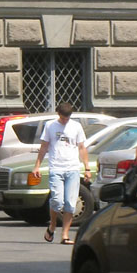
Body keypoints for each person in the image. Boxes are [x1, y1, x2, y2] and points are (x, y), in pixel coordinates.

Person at [32, 102, 90, 245]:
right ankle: (52, 225)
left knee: (70, 204)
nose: (65, 121)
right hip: (56, 168)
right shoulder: (50, 126)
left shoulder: (76, 126)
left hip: (73, 168)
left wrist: (87, 168)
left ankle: (65, 235)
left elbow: (82, 147)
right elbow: (44, 147)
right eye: (63, 118)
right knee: (57, 201)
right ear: (58, 114)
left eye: (67, 118)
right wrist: (37, 166)